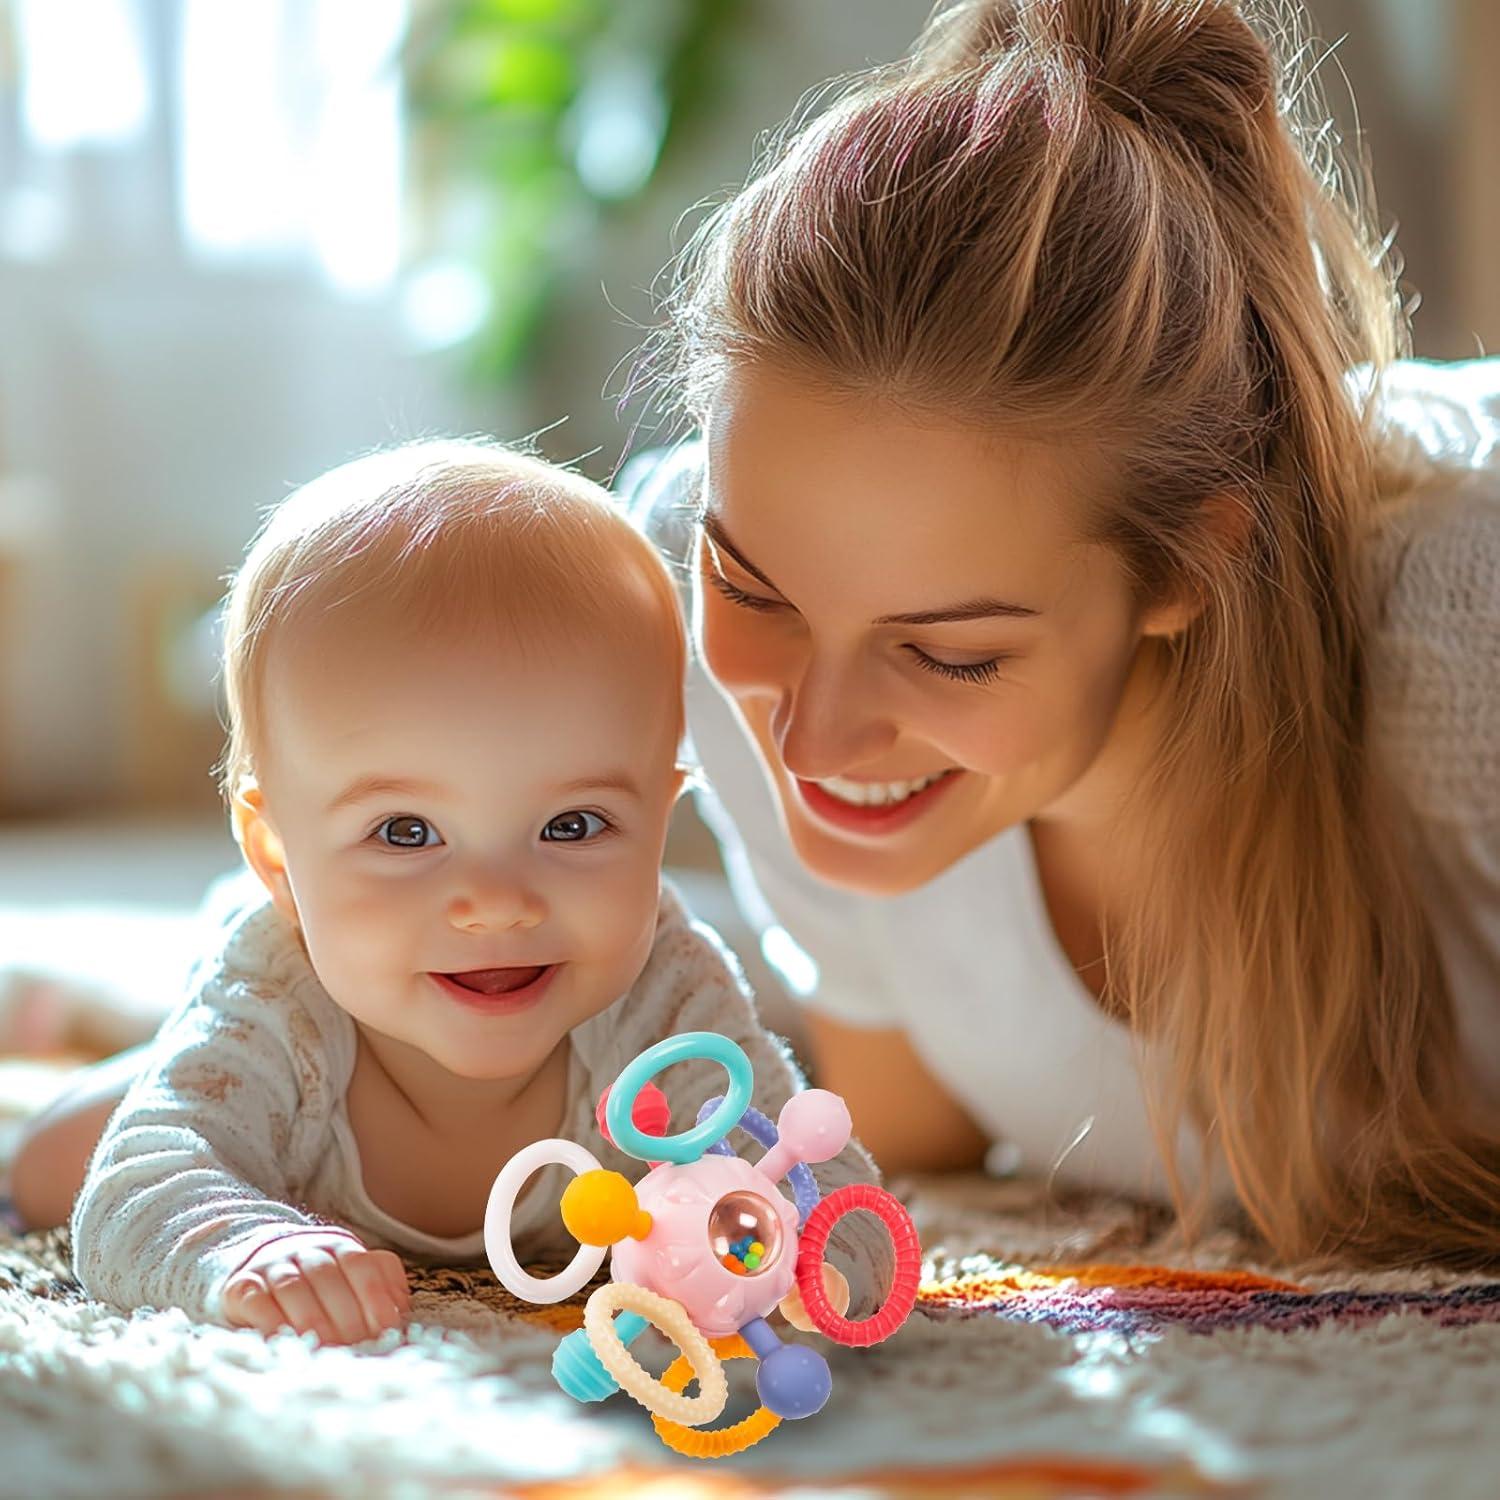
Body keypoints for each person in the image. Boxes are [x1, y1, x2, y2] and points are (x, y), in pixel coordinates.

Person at [622, 0, 1500, 1266]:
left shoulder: (1465, 635)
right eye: (753, 590)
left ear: (1190, 562)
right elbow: (907, 1144)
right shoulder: (683, 592)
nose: (810, 738)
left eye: (950, 652)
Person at [8, 441, 886, 1341]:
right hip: (281, 1034)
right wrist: (244, 1246)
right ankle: (98, 1015)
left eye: (572, 825)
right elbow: (136, 1189)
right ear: (278, 857)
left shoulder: (667, 997)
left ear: (661, 820)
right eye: (406, 832)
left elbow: (820, 1177)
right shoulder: (276, 1001)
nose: (497, 903)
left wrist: (810, 1262)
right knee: (52, 1169)